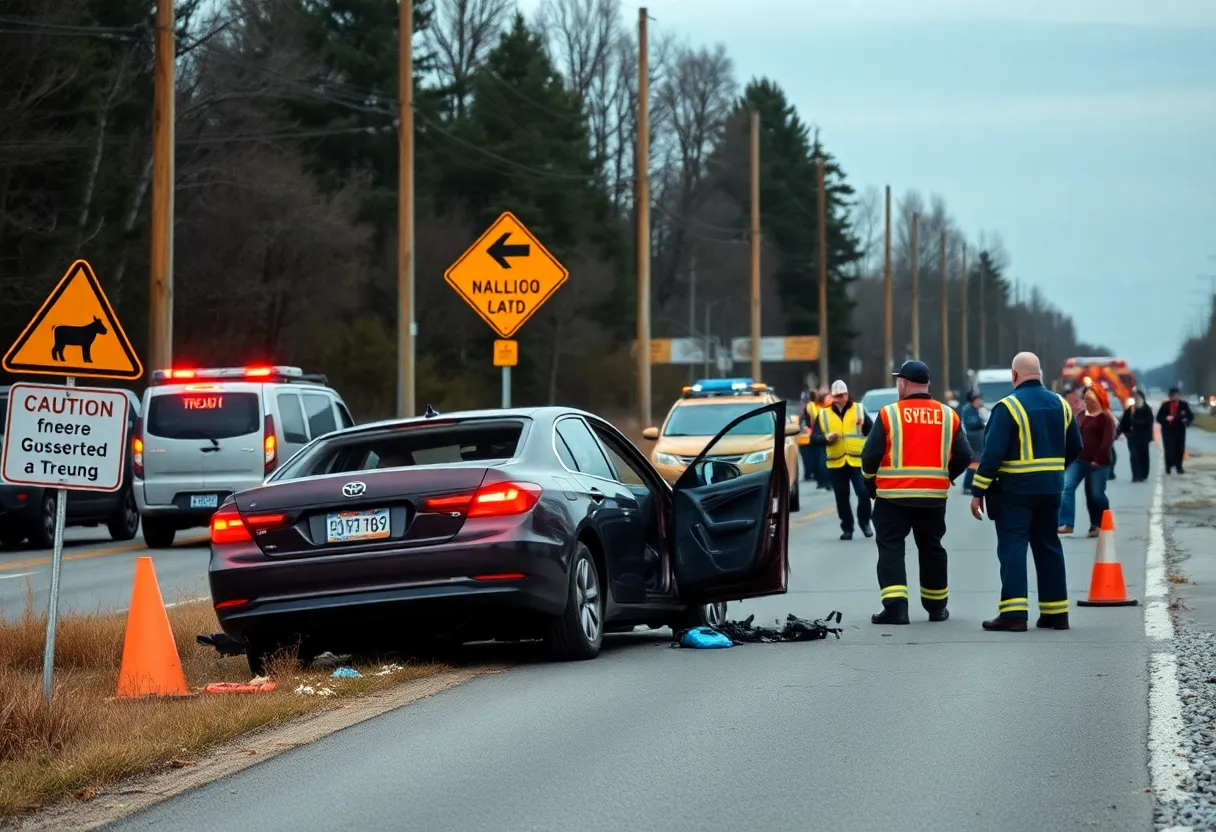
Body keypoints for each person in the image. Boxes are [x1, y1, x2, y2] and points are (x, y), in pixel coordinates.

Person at [969, 352, 1083, 632]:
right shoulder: (1061, 404)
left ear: (1014, 374)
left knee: (1013, 547)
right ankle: (1056, 614)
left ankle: (1014, 614)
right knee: (1048, 546)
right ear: (1040, 373)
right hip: (1051, 489)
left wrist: (978, 490)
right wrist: (1054, 469)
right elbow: (1076, 446)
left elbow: (992, 454)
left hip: (1016, 491)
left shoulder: (1008, 407)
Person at [861, 361, 972, 625]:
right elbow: (965, 455)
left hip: (893, 497)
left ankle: (896, 609)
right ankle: (937, 608)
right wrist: (945, 477)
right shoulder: (948, 415)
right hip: (933, 498)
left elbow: (869, 456)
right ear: (927, 384)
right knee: (932, 548)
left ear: (903, 383)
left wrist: (870, 485)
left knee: (891, 547)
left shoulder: (889, 414)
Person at [811, 379, 873, 540]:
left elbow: (872, 431)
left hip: (856, 460)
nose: (841, 398)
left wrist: (863, 426)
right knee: (841, 497)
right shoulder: (823, 415)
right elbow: (814, 438)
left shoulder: (858, 409)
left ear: (847, 394)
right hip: (836, 462)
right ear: (833, 397)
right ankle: (847, 528)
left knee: (863, 492)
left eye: (843, 395)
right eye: (838, 396)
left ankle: (865, 522)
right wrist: (826, 438)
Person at [1058, 383, 1115, 537]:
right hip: (1079, 460)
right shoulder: (1081, 415)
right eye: (1086, 398)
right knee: (1067, 487)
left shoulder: (1106, 417)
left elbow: (1107, 442)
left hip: (1099, 462)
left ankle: (1099, 524)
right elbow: (1074, 438)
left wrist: (1097, 459)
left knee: (1095, 494)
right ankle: (1066, 523)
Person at [1157, 388, 1195, 474]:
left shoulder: (1183, 405)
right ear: (1170, 397)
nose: (1176, 397)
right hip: (1168, 430)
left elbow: (1190, 416)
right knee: (1169, 449)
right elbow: (1159, 418)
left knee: (1179, 448)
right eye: (1174, 396)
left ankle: (1179, 466)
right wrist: (1165, 418)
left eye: (1177, 395)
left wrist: (1187, 421)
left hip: (1180, 430)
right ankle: (1168, 466)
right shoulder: (1165, 405)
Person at [1120, 388, 1155, 482]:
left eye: (1138, 397)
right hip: (1132, 437)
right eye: (1135, 397)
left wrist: (1137, 423)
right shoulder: (1130, 409)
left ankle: (1143, 474)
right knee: (1134, 455)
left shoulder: (1147, 409)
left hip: (1144, 437)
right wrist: (1121, 432)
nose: (1136, 398)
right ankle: (1136, 476)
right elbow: (1124, 422)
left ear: (1142, 398)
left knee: (1143, 455)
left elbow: (1149, 422)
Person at [960, 391, 987, 493]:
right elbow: (972, 423)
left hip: (977, 439)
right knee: (974, 462)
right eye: (978, 399)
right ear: (973, 400)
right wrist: (982, 423)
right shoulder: (968, 409)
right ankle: (967, 485)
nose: (980, 401)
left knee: (976, 462)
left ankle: (970, 485)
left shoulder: (974, 409)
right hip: (973, 439)